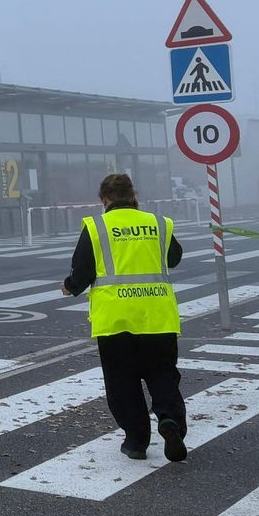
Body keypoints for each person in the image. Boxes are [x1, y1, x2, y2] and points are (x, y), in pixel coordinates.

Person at [61, 173, 187, 462]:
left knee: (122, 382)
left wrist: (70, 287)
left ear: (104, 199)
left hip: (115, 319)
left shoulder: (97, 227)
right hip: (157, 315)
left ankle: (136, 441)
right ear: (133, 196)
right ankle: (170, 422)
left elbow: (82, 271)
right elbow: (174, 259)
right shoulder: (158, 223)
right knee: (163, 374)